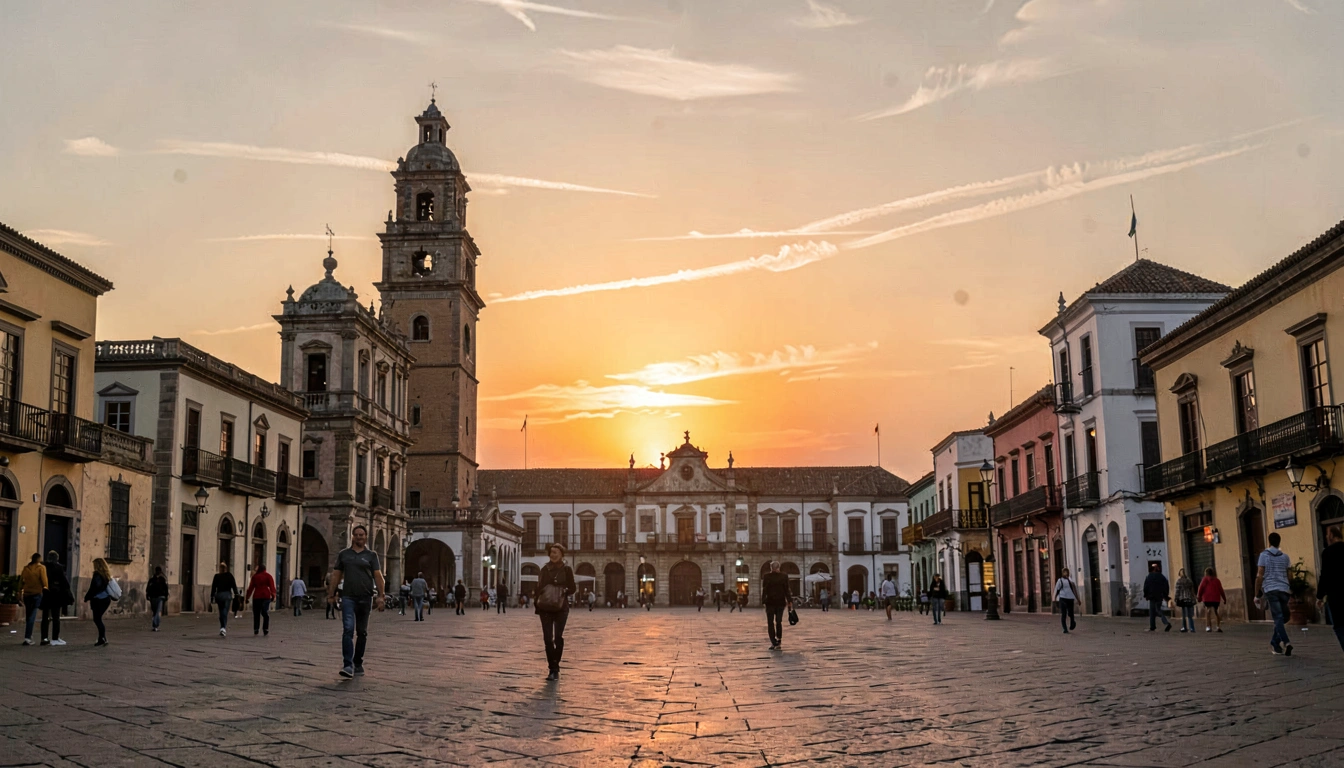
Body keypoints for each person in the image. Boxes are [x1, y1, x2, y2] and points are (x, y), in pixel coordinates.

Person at [328, 524, 387, 678]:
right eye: (357, 534)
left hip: (365, 597)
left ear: (366, 537)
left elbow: (378, 576)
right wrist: (331, 593)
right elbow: (336, 575)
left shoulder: (371, 555)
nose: (359, 537)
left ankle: (358, 662)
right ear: (352, 536)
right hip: (348, 597)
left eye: (362, 535)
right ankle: (348, 665)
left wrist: (381, 596)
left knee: (362, 632)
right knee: (348, 629)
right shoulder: (344, 555)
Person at [536, 543, 577, 680]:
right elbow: (539, 588)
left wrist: (564, 590)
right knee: (548, 639)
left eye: (556, 552)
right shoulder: (544, 569)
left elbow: (573, 588)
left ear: (561, 555)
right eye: (552, 552)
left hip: (561, 607)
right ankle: (552, 668)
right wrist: (537, 605)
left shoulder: (567, 570)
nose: (553, 554)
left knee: (558, 637)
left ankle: (556, 665)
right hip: (545, 608)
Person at [1255, 531, 1293, 656]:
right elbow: (1290, 575)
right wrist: (1290, 587)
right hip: (1283, 589)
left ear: (1269, 542)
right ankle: (1276, 643)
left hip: (1271, 589)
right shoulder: (1285, 557)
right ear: (1279, 542)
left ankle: (1285, 642)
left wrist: (1257, 594)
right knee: (1283, 617)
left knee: (1280, 618)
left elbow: (1260, 575)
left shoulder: (1263, 556)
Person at [1317, 525, 1344, 653]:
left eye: (1327, 534)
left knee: (1339, 625)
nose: (1327, 537)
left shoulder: (1327, 552)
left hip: (1336, 595)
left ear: (1332, 535)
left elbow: (1325, 575)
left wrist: (1319, 596)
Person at [40, 550, 71, 646]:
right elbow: (65, 582)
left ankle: (44, 638)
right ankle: (55, 638)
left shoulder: (42, 567)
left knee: (45, 617)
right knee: (56, 617)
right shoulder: (59, 568)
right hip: (56, 594)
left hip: (45, 594)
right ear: (57, 558)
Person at [83, 558, 114, 647]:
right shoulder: (106, 575)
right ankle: (102, 638)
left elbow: (93, 588)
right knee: (98, 619)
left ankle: (102, 638)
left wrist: (87, 597)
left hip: (98, 600)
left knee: (97, 619)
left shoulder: (97, 575)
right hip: (106, 599)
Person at [762, 561, 791, 650]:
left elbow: (764, 590)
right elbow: (787, 589)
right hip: (780, 602)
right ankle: (778, 640)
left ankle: (773, 642)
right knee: (779, 621)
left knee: (770, 623)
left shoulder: (766, 577)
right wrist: (789, 600)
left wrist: (763, 601)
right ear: (779, 567)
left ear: (771, 568)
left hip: (770, 602)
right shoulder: (784, 576)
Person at [19, 553, 47, 645]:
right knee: (32, 616)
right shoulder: (41, 568)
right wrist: (46, 588)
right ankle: (27, 637)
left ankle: (29, 636)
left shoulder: (26, 568)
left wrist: (19, 592)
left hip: (27, 594)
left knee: (28, 615)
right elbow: (44, 581)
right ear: (39, 559)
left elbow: (21, 581)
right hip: (37, 593)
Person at [245, 562, 276, 636]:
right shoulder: (268, 576)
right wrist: (273, 595)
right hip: (266, 596)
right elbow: (272, 587)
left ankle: (256, 629)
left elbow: (251, 588)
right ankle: (265, 629)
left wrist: (247, 597)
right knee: (265, 612)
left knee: (256, 613)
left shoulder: (255, 577)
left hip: (257, 596)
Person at [211, 562, 239, 636]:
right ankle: (223, 627)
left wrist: (212, 596)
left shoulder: (217, 576)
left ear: (219, 568)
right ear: (226, 568)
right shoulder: (229, 575)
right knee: (225, 611)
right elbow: (234, 585)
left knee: (221, 611)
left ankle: (222, 627)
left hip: (219, 595)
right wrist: (236, 594)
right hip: (227, 595)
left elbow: (213, 587)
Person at [1143, 562, 1172, 632]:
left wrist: (1146, 595)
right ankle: (1153, 626)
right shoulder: (1162, 577)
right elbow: (1166, 586)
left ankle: (1164, 623)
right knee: (1157, 609)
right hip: (1159, 596)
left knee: (1153, 611)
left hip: (1151, 596)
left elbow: (1145, 587)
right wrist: (1165, 595)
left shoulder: (1149, 577)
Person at [1197, 566, 1225, 633]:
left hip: (1207, 598)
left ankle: (1208, 627)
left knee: (1208, 611)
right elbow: (1221, 590)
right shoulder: (1217, 580)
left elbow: (1200, 589)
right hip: (1216, 598)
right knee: (1216, 612)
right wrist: (1224, 598)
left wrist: (1199, 597)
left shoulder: (1204, 579)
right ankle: (1218, 626)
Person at [1054, 568, 1078, 634]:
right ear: (1062, 573)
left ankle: (1072, 623)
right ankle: (1065, 628)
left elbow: (1074, 589)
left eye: (1066, 572)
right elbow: (1056, 589)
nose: (1065, 573)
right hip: (1062, 598)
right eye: (1064, 572)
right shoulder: (1060, 580)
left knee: (1071, 613)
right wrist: (1054, 599)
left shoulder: (1070, 580)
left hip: (1070, 598)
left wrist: (1078, 599)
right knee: (1063, 614)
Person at [1174, 568, 1197, 633]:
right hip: (1189, 598)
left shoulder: (1179, 581)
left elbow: (1177, 591)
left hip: (1182, 599)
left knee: (1184, 614)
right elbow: (1192, 590)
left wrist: (1176, 598)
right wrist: (1194, 597)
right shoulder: (1189, 581)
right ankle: (1192, 628)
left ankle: (1184, 627)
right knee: (1190, 615)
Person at [147, 566, 169, 632]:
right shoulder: (152, 580)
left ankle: (156, 625)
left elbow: (166, 588)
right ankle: (154, 625)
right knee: (155, 612)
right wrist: (148, 595)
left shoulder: (162, 579)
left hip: (160, 597)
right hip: (153, 597)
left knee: (158, 611)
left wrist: (166, 595)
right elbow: (148, 588)